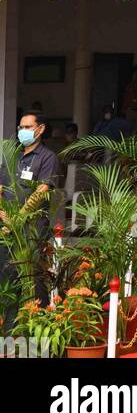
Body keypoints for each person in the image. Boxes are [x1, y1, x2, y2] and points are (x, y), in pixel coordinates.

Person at [0, 112, 61, 309]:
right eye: (20, 128)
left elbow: (41, 192)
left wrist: (17, 219)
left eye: (27, 127)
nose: (22, 131)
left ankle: (36, 323)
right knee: (7, 277)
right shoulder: (13, 157)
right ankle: (9, 328)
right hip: (7, 228)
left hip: (32, 229)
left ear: (40, 129)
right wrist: (4, 215)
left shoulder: (47, 158)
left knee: (30, 276)